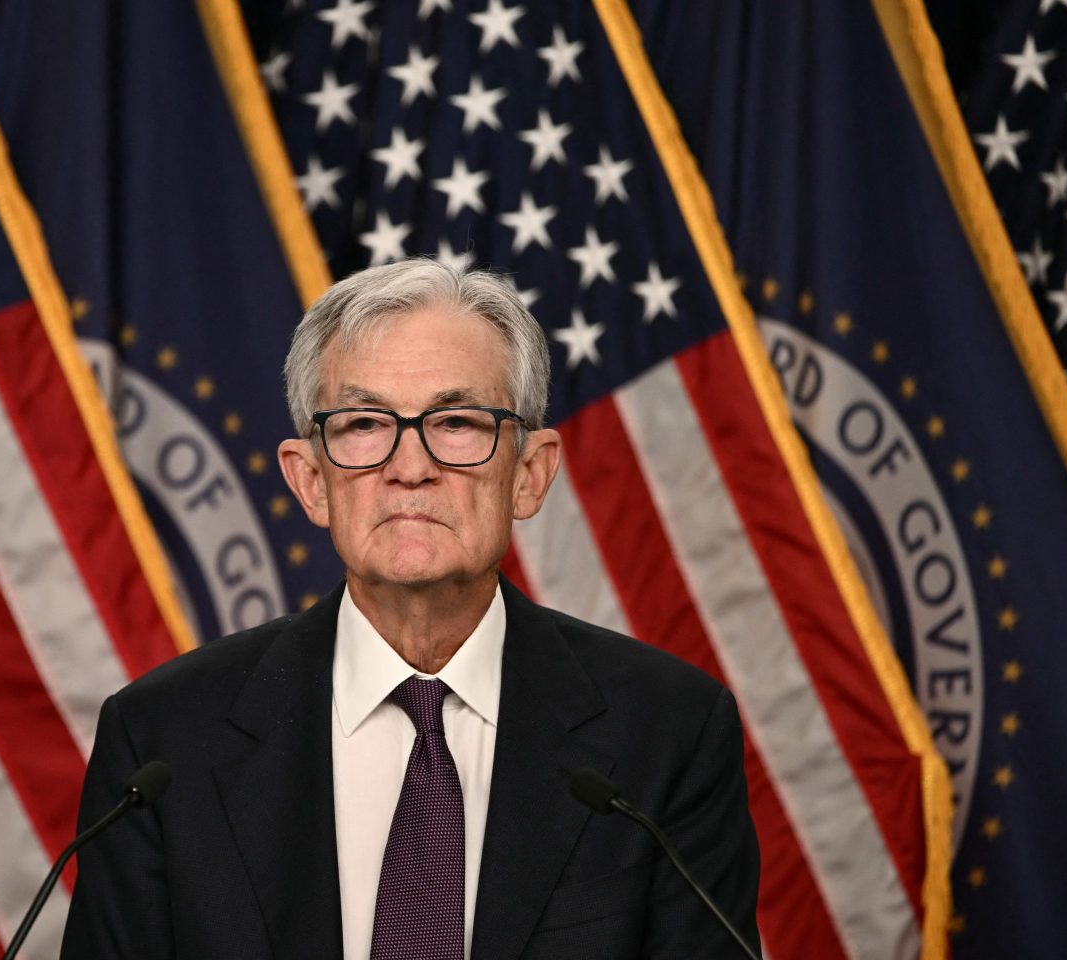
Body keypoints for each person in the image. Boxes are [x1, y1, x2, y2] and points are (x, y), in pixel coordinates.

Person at [61, 260, 761, 959]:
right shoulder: (163, 741)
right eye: (364, 424)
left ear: (530, 473)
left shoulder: (668, 734)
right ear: (311, 482)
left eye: (455, 421)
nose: (410, 464)